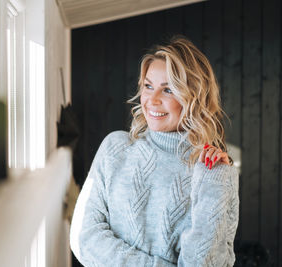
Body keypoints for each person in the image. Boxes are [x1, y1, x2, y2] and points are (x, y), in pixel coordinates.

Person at [69, 36, 239, 266]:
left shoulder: (212, 172)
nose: (152, 100)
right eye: (148, 86)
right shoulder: (115, 148)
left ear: (195, 97)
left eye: (168, 90)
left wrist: (214, 182)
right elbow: (84, 239)